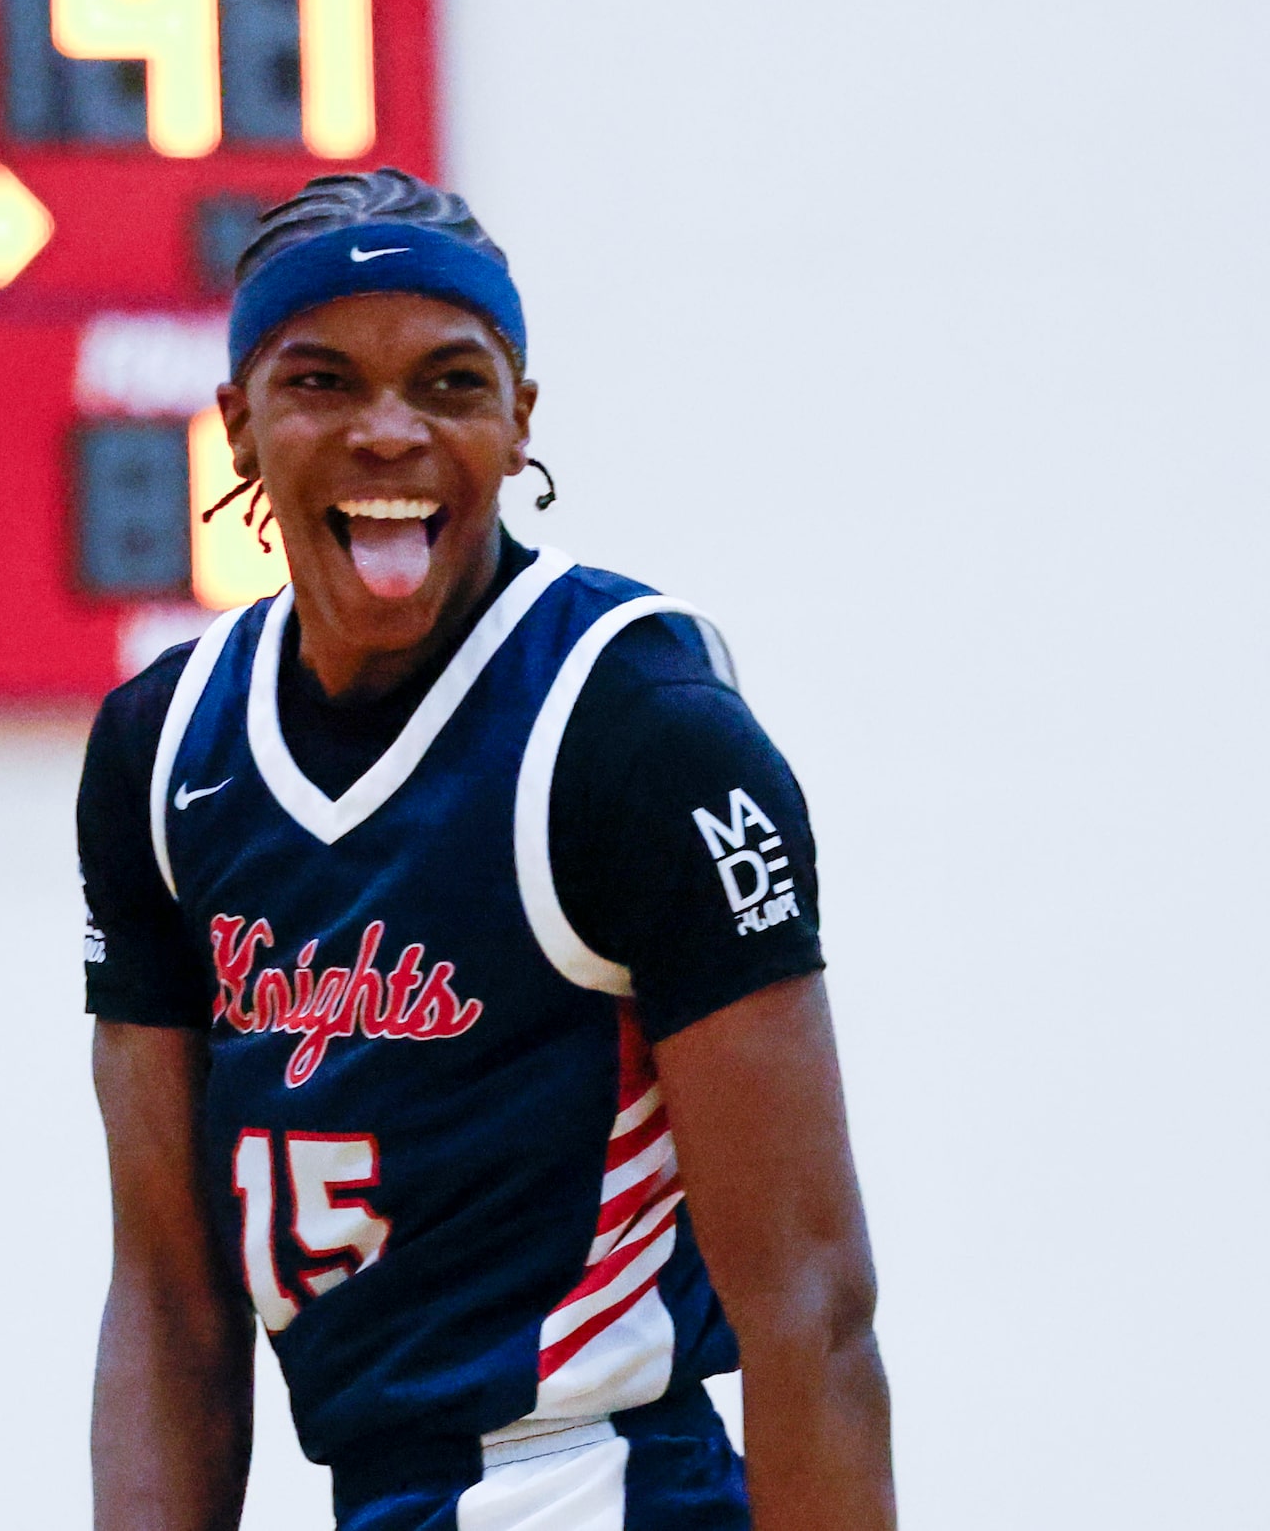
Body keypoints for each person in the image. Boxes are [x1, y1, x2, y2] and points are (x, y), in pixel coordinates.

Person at [78, 170, 892, 1531]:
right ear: (238, 427)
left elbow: (815, 1307)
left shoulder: (637, 731)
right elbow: (169, 1301)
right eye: (324, 381)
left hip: (609, 1482)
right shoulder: (165, 753)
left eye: (450, 384)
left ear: (519, 423)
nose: (388, 431)